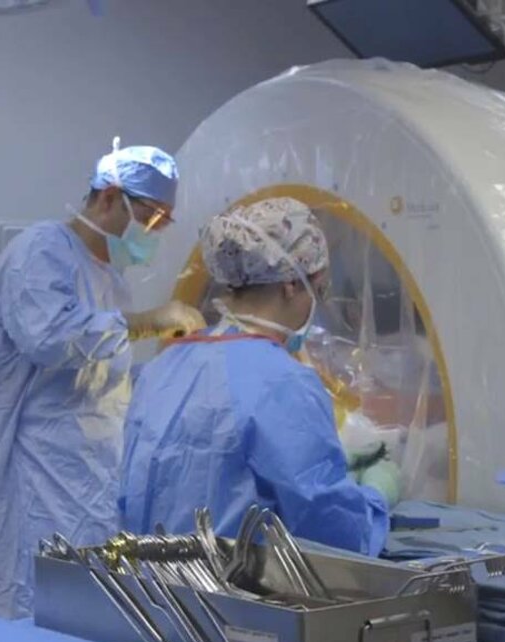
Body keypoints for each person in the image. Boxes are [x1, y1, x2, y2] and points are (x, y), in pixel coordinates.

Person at [0, 141, 205, 619]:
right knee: (34, 606)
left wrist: (174, 374)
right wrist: (147, 321)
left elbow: (100, 377)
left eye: (164, 223)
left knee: (90, 610)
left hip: (90, 477)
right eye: (151, 218)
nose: (154, 233)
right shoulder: (41, 251)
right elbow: (50, 338)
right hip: (36, 473)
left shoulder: (110, 280)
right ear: (110, 197)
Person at [118, 197, 397, 556]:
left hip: (149, 583)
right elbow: (332, 530)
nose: (317, 303)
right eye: (320, 289)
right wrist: (375, 497)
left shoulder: (162, 369)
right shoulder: (284, 384)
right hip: (233, 587)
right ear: (291, 285)